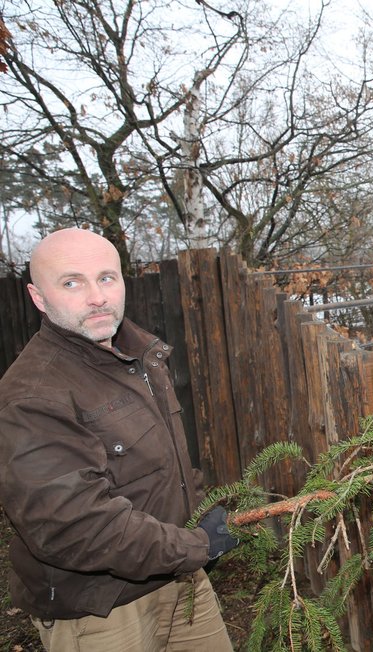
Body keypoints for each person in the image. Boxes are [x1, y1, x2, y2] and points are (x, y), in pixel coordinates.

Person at [0, 228, 238, 651]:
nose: (97, 296)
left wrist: (204, 513)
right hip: (100, 610)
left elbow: (166, 460)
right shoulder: (32, 394)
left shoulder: (139, 356)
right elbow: (73, 527)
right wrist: (197, 546)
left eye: (107, 278)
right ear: (39, 297)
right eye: (72, 282)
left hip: (179, 579)